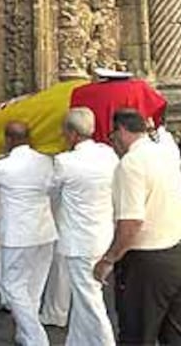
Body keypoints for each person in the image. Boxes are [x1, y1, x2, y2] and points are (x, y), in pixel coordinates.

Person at [94, 108, 181, 344]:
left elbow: (131, 223)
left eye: (112, 136)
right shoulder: (167, 152)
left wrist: (108, 260)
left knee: (136, 334)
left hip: (147, 260)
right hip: (178, 253)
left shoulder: (131, 164)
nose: (112, 143)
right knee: (176, 335)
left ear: (122, 131)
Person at [0, 121, 57, 346]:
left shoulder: (3, 165)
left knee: (13, 286)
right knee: (34, 286)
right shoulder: (46, 161)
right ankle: (24, 334)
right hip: (44, 232)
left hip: (18, 235)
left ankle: (36, 338)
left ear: (8, 139)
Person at [52, 107, 117, 346]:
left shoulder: (64, 162)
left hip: (79, 241)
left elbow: (51, 188)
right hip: (103, 235)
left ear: (72, 133)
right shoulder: (108, 154)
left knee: (89, 300)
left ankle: (106, 342)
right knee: (83, 297)